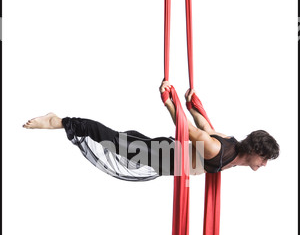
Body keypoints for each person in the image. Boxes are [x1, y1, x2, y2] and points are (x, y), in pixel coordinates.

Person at [22, 80, 279, 180]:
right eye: (264, 159)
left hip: (165, 158)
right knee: (109, 139)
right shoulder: (218, 148)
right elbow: (191, 132)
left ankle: (60, 120)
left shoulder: (230, 146)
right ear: (256, 150)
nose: (264, 164)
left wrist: (193, 105)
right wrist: (169, 102)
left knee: (114, 139)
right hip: (158, 154)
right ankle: (58, 120)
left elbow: (205, 126)